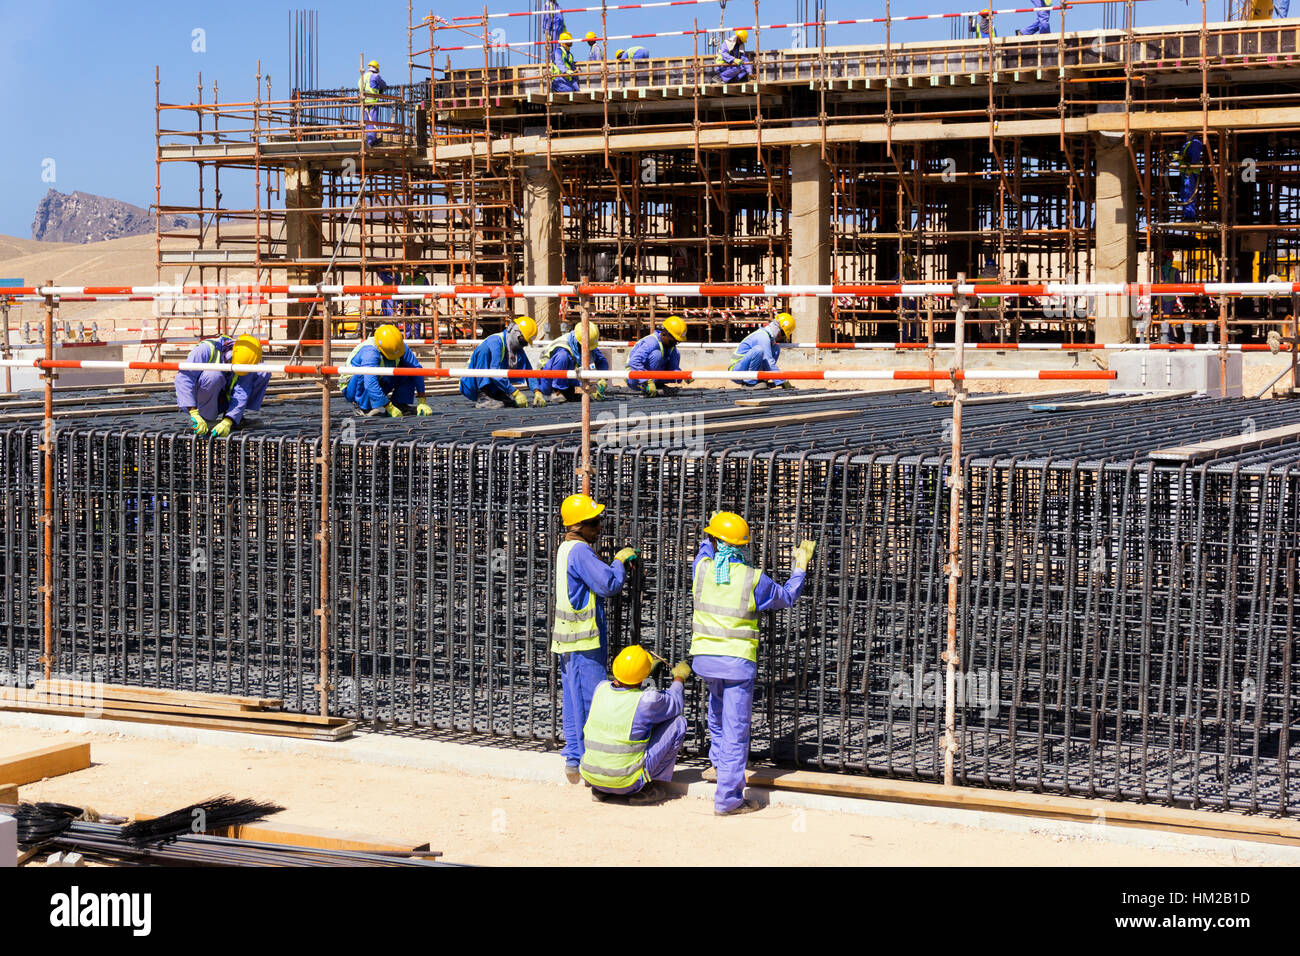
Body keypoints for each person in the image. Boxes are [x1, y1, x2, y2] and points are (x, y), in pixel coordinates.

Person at [690, 511, 815, 815]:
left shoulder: (702, 568)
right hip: (736, 664)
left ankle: (720, 769)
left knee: (717, 717)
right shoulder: (753, 578)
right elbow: (785, 597)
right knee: (736, 729)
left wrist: (714, 525)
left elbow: (706, 547)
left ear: (715, 541)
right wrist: (800, 566)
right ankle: (729, 800)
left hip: (706, 661)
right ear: (742, 547)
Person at [553, 493, 639, 784]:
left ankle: (575, 760)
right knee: (589, 701)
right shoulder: (579, 551)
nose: (600, 527)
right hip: (583, 642)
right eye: (595, 522)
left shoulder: (566, 548)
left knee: (573, 699)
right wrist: (618, 562)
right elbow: (608, 584)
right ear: (579, 525)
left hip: (572, 641)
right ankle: (589, 763)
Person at [582, 645, 690, 805]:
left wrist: (643, 675)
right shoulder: (647, 701)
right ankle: (649, 786)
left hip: (592, 776)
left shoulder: (601, 689)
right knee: (678, 723)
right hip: (627, 782)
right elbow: (675, 703)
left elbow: (628, 693)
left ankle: (602, 789)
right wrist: (679, 678)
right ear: (642, 676)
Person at [175, 334, 271, 437]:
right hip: (200, 400)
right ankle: (205, 419)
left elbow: (242, 390)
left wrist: (228, 421)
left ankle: (234, 417)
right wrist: (194, 412)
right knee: (214, 374)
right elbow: (184, 379)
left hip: (222, 397)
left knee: (262, 371)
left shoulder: (246, 359)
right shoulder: (206, 349)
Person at [339, 323, 433, 417]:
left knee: (407, 370)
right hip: (353, 388)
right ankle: (364, 407)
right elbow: (370, 382)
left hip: (379, 379)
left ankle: (400, 404)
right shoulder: (370, 352)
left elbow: (416, 370)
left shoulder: (398, 346)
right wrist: (388, 406)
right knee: (364, 372)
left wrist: (422, 400)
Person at [460, 316, 547, 408]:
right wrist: (515, 392)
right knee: (484, 349)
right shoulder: (496, 341)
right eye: (522, 341)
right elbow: (495, 372)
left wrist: (537, 391)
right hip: (471, 384)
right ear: (514, 332)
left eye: (526, 343)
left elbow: (528, 371)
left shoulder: (517, 348)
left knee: (510, 403)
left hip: (494, 387)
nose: (523, 345)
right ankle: (483, 397)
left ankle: (494, 395)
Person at [539, 324, 609, 403]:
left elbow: (601, 360)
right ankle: (558, 392)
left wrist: (602, 378)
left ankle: (568, 391)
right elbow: (559, 364)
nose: (589, 350)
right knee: (563, 357)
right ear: (578, 342)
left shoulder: (585, 341)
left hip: (569, 378)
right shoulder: (562, 346)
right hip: (547, 379)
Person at [727, 312, 796, 388]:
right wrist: (783, 381)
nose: (781, 338)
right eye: (783, 334)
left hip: (744, 369)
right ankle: (750, 383)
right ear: (778, 329)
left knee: (776, 348)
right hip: (736, 371)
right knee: (758, 350)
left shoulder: (768, 339)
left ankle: (761, 380)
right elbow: (769, 360)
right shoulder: (762, 336)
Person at [627, 314, 686, 397]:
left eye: (677, 342)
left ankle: (657, 384)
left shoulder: (671, 348)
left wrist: (682, 375)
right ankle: (645, 385)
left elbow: (673, 369)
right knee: (656, 355)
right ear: (664, 334)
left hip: (653, 378)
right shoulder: (651, 342)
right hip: (635, 378)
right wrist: (646, 380)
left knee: (676, 353)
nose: (674, 344)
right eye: (673, 341)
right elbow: (634, 362)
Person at [359, 60, 387, 146]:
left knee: (366, 121)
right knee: (372, 122)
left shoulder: (362, 77)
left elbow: (360, 87)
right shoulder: (375, 76)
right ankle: (371, 141)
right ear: (376, 68)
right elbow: (384, 85)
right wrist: (381, 89)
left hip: (364, 102)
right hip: (372, 102)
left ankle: (367, 140)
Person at [974, 256, 1001, 342]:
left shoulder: (980, 277)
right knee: (1000, 322)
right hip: (995, 302)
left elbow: (975, 291)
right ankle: (1003, 339)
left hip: (984, 303)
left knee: (985, 324)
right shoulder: (998, 276)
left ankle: (987, 339)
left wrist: (972, 304)